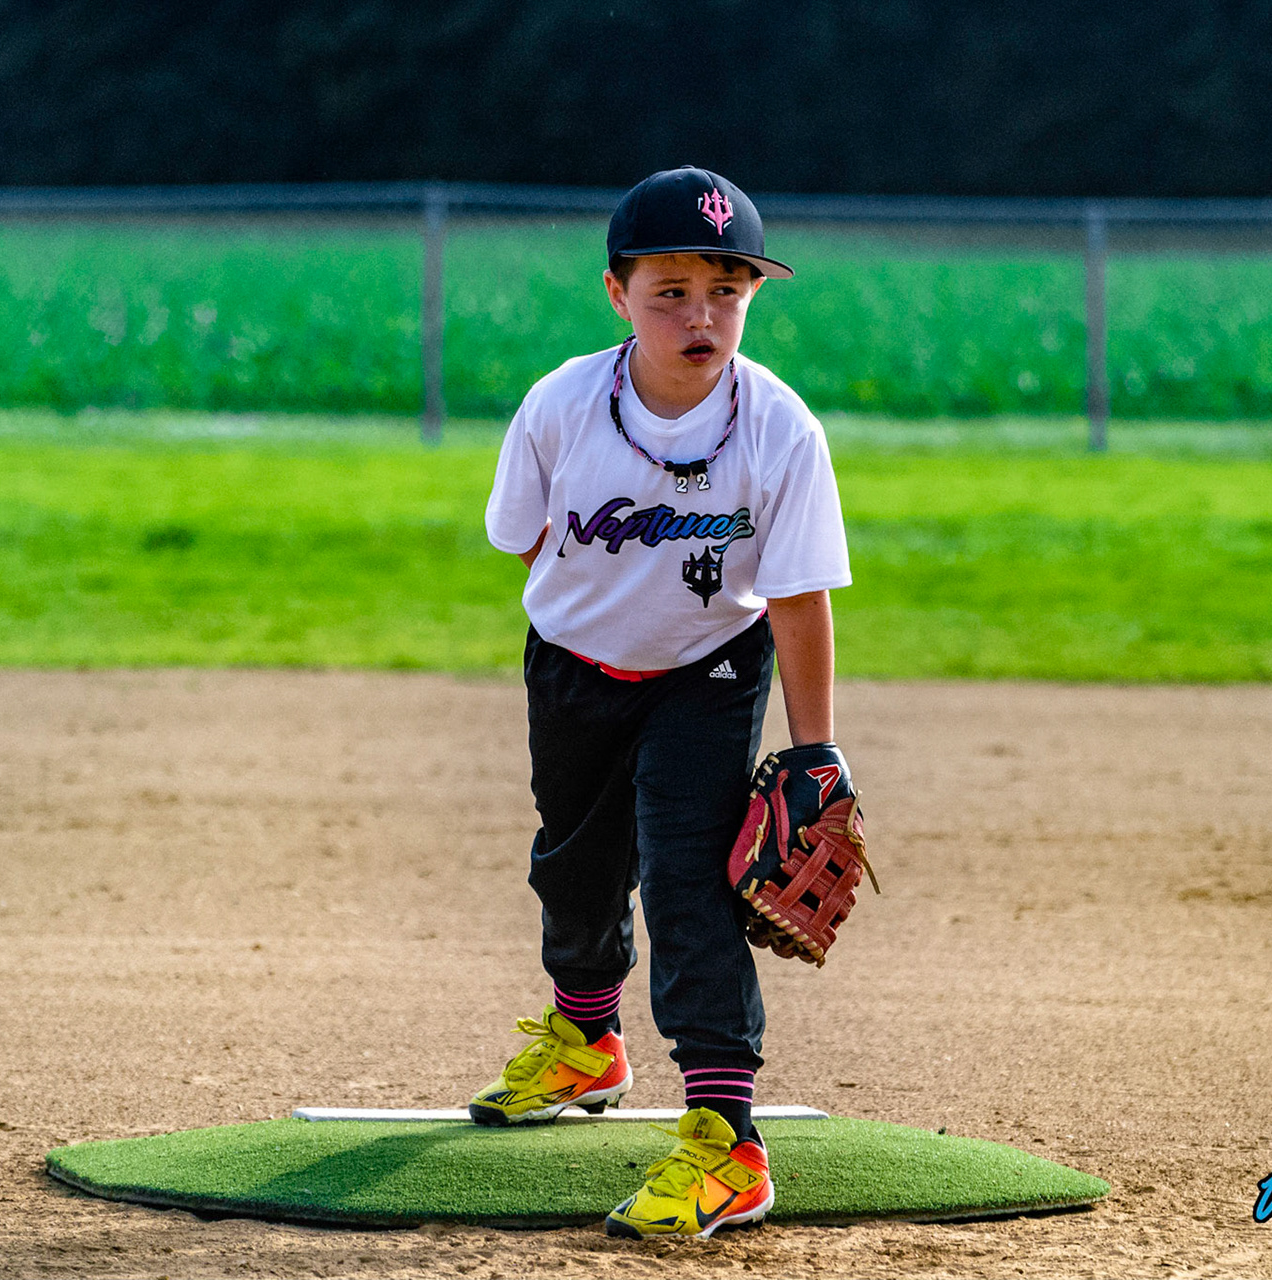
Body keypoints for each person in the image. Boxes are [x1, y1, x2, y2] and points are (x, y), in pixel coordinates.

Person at [475, 166, 852, 1238]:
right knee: (577, 865)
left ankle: (727, 1140)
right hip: (574, 665)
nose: (702, 315)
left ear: (753, 296)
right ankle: (587, 1037)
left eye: (727, 290)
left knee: (693, 881)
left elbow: (798, 594)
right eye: (671, 291)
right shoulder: (560, 406)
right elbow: (520, 538)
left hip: (711, 670)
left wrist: (814, 752)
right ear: (616, 293)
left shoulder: (780, 429)